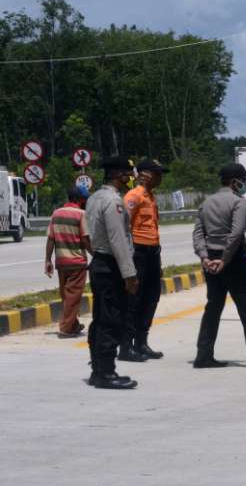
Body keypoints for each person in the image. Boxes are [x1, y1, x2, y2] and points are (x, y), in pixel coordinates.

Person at [193, 163, 246, 369]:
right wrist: (224, 260)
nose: (245, 185)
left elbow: (198, 234)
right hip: (231, 260)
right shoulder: (238, 202)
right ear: (235, 182)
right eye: (244, 181)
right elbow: (235, 234)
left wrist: (205, 257)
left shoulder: (206, 203)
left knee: (213, 308)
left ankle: (203, 355)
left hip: (211, 260)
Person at [84, 156, 139, 389]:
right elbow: (118, 240)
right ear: (119, 175)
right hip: (111, 265)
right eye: (127, 175)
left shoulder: (95, 197)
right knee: (112, 319)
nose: (129, 179)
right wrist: (129, 274)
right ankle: (106, 372)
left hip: (99, 262)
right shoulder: (114, 201)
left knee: (100, 318)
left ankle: (98, 368)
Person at [120, 159, 169, 362]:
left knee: (151, 297)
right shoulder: (134, 196)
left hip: (152, 252)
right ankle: (126, 346)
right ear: (146, 175)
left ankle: (141, 342)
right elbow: (124, 227)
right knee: (134, 299)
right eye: (157, 173)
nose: (160, 178)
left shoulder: (151, 196)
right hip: (138, 252)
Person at [45, 186, 93, 338]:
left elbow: (51, 238)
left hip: (61, 262)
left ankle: (73, 325)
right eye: (85, 200)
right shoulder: (81, 214)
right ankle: (66, 328)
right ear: (80, 200)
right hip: (77, 261)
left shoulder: (56, 213)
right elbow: (85, 239)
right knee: (73, 296)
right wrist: (96, 255)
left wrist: (48, 260)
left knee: (66, 295)